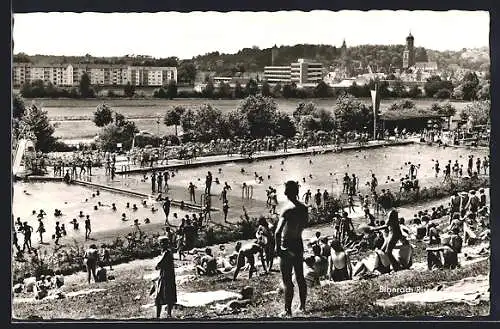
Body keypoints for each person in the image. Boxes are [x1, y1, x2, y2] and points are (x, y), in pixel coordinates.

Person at [274, 180, 308, 317]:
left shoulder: (287, 209)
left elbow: (277, 232)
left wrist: (278, 249)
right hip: (298, 242)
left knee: (287, 280)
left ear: (287, 192)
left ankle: (287, 310)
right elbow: (304, 225)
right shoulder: (304, 208)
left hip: (287, 244)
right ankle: (302, 306)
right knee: (300, 277)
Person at [154, 236, 177, 318]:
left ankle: (158, 316)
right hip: (169, 276)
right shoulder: (169, 252)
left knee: (159, 296)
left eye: (160, 243)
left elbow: (158, 265)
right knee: (169, 295)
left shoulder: (166, 253)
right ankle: (168, 314)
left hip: (165, 277)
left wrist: (158, 264)